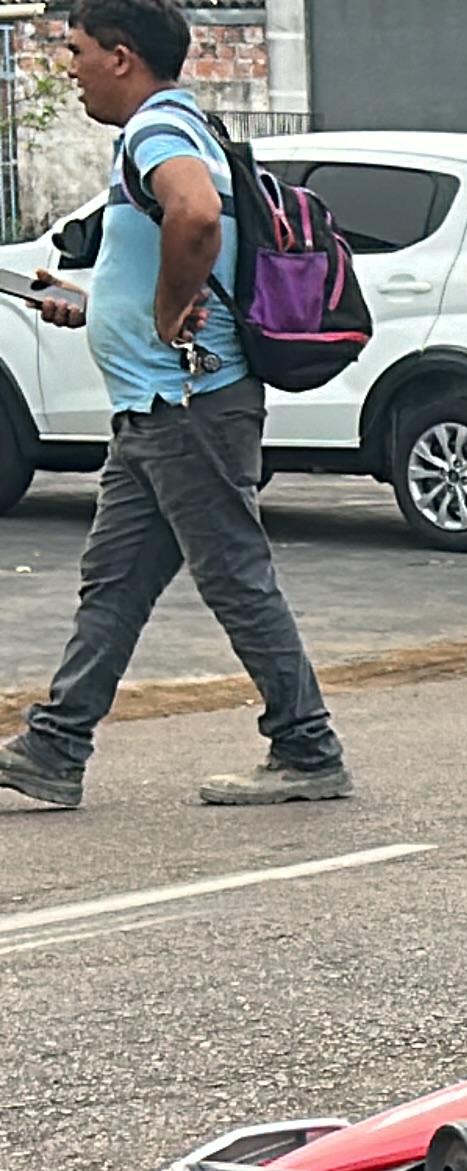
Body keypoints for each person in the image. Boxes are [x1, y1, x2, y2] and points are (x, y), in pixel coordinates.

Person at [0, 0, 349, 812]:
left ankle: (308, 747)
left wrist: (161, 314)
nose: (70, 68)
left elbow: (195, 215)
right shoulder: (179, 126)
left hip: (188, 401)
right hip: (157, 406)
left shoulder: (156, 130)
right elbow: (179, 242)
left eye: (77, 51)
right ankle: (55, 746)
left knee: (234, 576)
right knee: (115, 582)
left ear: (121, 56)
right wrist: (98, 308)